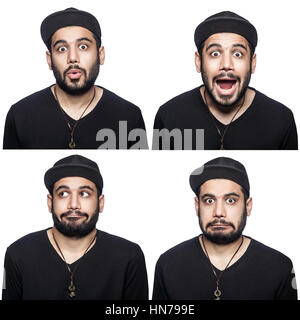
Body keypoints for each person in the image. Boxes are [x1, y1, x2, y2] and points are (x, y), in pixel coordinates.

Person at [2, 155, 148, 300]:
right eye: (63, 194)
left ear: (100, 202)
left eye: (84, 194)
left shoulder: (129, 256)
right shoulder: (18, 254)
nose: (73, 204)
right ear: (50, 202)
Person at [152, 157, 297, 300]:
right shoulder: (168, 264)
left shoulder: (279, 267)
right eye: (209, 201)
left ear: (248, 206)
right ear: (197, 206)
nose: (219, 212)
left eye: (230, 200)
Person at [3, 8, 148, 149]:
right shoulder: (20, 115)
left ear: (101, 55)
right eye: (62, 49)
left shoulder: (129, 116)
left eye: (83, 46)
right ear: (49, 59)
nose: (73, 58)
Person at [152, 11, 298, 150]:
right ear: (198, 61)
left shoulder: (281, 120)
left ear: (252, 63)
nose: (226, 65)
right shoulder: (168, 116)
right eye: (215, 53)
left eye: (238, 54)